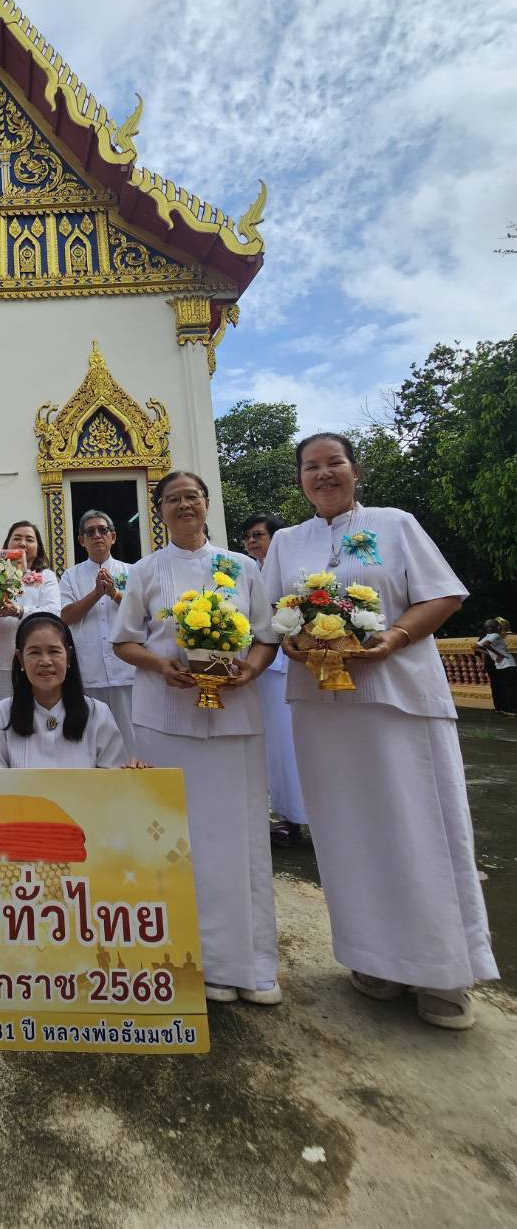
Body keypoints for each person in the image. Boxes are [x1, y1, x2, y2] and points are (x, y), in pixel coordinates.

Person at [262, 433, 498, 1029]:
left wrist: (391, 639)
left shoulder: (396, 523)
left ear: (355, 470)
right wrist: (293, 638)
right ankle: (375, 959)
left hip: (398, 698)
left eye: (333, 463)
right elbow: (271, 618)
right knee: (348, 831)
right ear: (299, 481)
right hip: (324, 708)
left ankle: (444, 972)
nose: (323, 475)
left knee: (420, 827)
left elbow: (442, 594)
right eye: (310, 467)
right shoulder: (289, 542)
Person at [111, 470, 281, 1006]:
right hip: (166, 717)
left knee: (239, 831)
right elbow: (124, 640)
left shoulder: (244, 567)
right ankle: (190, 957)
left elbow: (268, 636)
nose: (183, 506)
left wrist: (249, 671)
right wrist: (162, 666)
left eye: (192, 497)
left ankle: (249, 963)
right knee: (176, 835)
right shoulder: (145, 571)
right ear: (158, 510)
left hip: (234, 715)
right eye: (172, 499)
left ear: (207, 504)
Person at [0, 612, 134, 769]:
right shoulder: (1, 714)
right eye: (34, 652)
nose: (45, 661)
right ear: (20, 659)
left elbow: (114, 780)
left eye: (54, 651)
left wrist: (134, 770)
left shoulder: (97, 713)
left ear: (68, 656)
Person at [242, 511, 308, 846]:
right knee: (268, 745)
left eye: (259, 535)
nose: (252, 541)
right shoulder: (246, 569)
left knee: (287, 743)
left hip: (284, 663)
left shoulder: (291, 571)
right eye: (248, 537)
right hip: (258, 667)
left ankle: (294, 816)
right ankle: (283, 814)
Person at [58, 509, 135, 748]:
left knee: (130, 736)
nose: (97, 535)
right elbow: (65, 617)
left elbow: (142, 613)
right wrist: (95, 594)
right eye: (90, 532)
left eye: (103, 530)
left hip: (126, 669)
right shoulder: (71, 576)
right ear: (81, 541)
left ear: (113, 537)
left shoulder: (132, 572)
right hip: (89, 669)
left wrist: (114, 593)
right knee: (94, 738)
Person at [0, 520, 61, 705]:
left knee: (33, 713)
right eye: (17, 538)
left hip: (36, 658)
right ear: (7, 544)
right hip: (0, 657)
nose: (22, 543)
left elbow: (52, 613)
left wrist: (19, 611)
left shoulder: (47, 576)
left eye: (29, 539)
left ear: (38, 547)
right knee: (1, 712)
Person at [476, 618, 516, 717]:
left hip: (495, 664)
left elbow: (476, 648)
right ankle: (510, 709)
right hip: (503, 663)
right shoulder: (495, 635)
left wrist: (487, 654)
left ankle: (500, 708)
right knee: (509, 687)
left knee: (498, 686)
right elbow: (484, 646)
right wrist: (498, 654)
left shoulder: (485, 636)